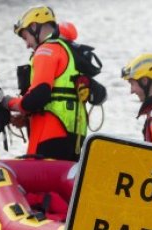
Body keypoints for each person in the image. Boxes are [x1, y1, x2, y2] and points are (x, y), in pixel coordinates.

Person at [7, 5, 106, 161]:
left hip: (50, 136)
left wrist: (11, 103)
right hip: (75, 138)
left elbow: (39, 95)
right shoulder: (69, 52)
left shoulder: (46, 50)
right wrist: (26, 118)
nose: (27, 45)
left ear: (34, 26)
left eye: (26, 37)